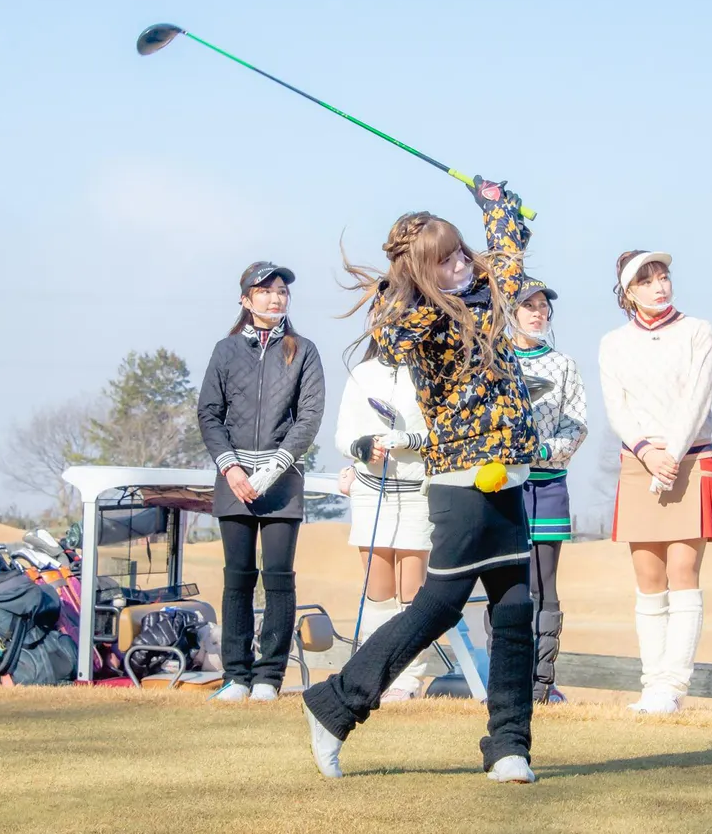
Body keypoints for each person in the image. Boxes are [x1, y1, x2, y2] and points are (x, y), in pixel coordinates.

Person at [302, 177, 540, 784]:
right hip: (462, 480)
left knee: (515, 610)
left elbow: (508, 254)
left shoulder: (492, 297)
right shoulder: (427, 321)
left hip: (509, 476)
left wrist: (498, 207)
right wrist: (404, 287)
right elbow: (388, 335)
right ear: (425, 270)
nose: (463, 265)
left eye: (463, 253)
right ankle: (337, 703)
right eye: (447, 259)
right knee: (439, 605)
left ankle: (510, 746)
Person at [598, 251, 712, 714]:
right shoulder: (613, 343)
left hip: (689, 459)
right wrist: (648, 452)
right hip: (641, 460)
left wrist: (671, 453)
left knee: (683, 572)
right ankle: (652, 682)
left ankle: (673, 686)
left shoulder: (698, 331)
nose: (660, 286)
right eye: (647, 280)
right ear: (628, 292)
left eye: (664, 276)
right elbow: (617, 406)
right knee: (649, 577)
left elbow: (699, 396)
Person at [197, 262, 325, 702]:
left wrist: (273, 468)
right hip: (233, 482)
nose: (276, 298)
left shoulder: (303, 350)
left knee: (277, 576)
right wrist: (231, 468)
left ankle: (270, 675)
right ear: (245, 299)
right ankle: (236, 675)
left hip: (281, 483)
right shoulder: (225, 350)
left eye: (282, 292)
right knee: (237, 577)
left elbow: (308, 416)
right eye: (266, 290)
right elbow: (209, 414)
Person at [333, 335, 433, 702]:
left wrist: (407, 440)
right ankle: (372, 676)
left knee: (411, 594)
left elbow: (440, 433)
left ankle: (407, 681)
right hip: (370, 490)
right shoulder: (361, 374)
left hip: (416, 489)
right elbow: (343, 435)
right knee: (378, 592)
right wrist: (360, 446)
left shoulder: (431, 368)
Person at [511, 278, 589, 703]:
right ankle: (506, 679)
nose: (538, 313)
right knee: (508, 586)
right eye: (529, 306)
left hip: (547, 486)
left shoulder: (563, 365)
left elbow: (575, 426)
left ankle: (541, 684)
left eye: (543, 307)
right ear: (510, 313)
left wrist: (541, 450)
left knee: (543, 585)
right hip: (504, 486)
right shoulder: (494, 361)